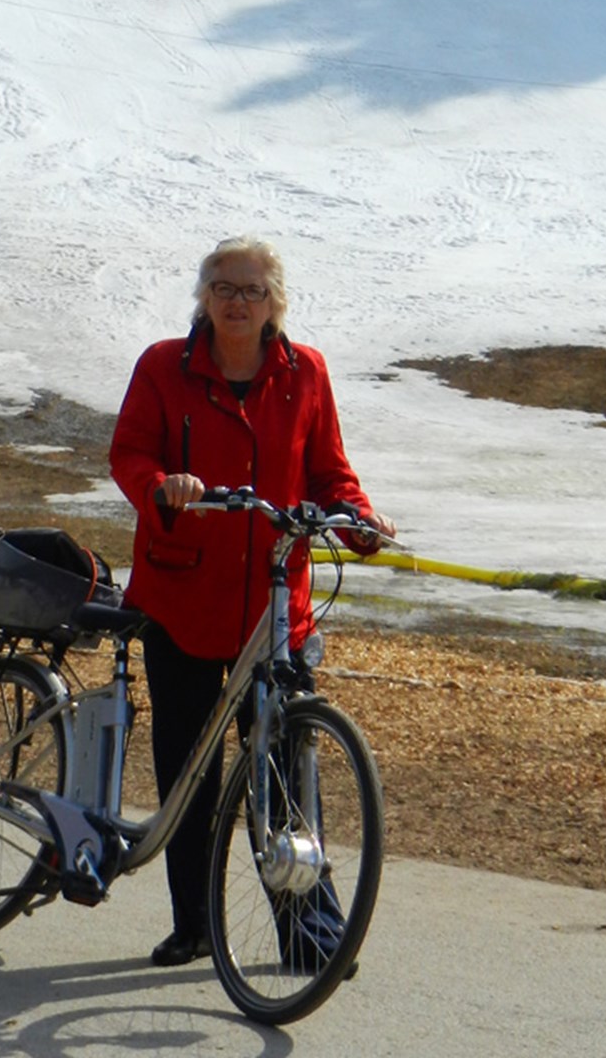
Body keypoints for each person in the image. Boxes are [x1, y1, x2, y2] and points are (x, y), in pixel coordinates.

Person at [109, 235, 395, 968]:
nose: (238, 301)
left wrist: (358, 519)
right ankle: (196, 924)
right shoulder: (162, 367)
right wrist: (161, 489)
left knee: (285, 773)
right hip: (183, 602)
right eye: (225, 288)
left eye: (253, 290)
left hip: (275, 610)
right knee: (190, 772)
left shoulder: (307, 375)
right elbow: (130, 453)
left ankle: (311, 937)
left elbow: (329, 470)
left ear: (276, 305)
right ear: (204, 296)